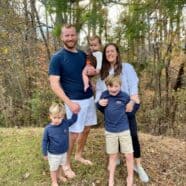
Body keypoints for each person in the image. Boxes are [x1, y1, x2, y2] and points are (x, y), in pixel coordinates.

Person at [95, 43, 149, 183]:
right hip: (110, 105)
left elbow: (133, 87)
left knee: (132, 134)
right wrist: (99, 102)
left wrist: (132, 102)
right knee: (114, 131)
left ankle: (138, 165)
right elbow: (100, 92)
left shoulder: (127, 68)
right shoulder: (104, 72)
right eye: (107, 52)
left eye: (112, 51)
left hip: (128, 104)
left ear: (117, 53)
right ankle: (116, 157)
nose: (110, 54)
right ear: (105, 55)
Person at [49, 24, 97, 178]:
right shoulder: (57, 58)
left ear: (76, 36)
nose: (70, 38)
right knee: (73, 134)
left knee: (87, 128)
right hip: (74, 102)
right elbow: (54, 84)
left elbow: (85, 75)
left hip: (89, 98)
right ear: (62, 37)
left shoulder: (83, 55)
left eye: (72, 35)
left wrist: (92, 82)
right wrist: (69, 103)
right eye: (66, 35)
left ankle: (79, 155)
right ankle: (66, 164)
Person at [96, 75, 140, 186]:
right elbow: (101, 108)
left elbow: (134, 106)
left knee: (129, 155)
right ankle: (111, 178)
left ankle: (129, 177)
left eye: (116, 86)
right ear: (107, 86)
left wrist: (132, 103)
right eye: (111, 86)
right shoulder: (104, 95)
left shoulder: (125, 96)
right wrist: (99, 104)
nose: (114, 89)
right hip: (110, 131)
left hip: (124, 130)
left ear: (120, 86)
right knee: (113, 156)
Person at [42, 103, 77, 186]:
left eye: (59, 117)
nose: (57, 120)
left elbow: (73, 120)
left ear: (63, 117)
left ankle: (60, 175)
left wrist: (75, 112)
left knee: (61, 165)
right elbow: (44, 141)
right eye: (55, 117)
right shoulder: (48, 129)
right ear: (50, 116)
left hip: (64, 152)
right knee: (53, 168)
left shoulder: (65, 123)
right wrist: (44, 153)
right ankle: (54, 181)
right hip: (53, 154)